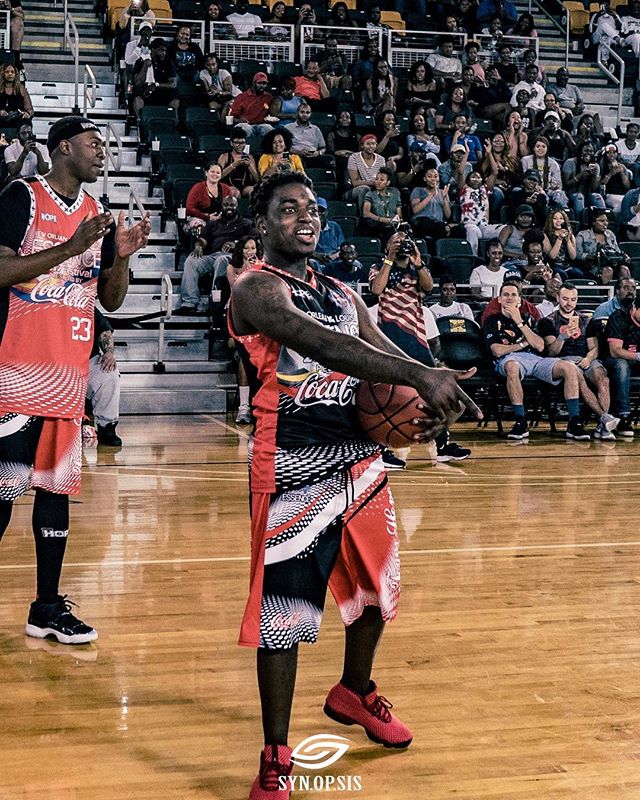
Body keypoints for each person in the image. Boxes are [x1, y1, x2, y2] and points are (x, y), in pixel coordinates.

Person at [228, 173, 480, 798]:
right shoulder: (255, 289)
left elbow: (378, 346)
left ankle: (354, 690)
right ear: (263, 224)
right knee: (283, 617)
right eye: (288, 210)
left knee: (376, 592)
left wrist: (431, 381)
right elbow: (322, 344)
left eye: (311, 209)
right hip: (291, 463)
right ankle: (276, 754)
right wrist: (413, 377)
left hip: (360, 461)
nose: (305, 218)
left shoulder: (343, 290)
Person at [0, 115, 150, 644]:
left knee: (54, 497)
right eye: (94, 143)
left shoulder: (95, 216)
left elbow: (109, 299)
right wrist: (70, 248)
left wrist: (122, 259)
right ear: (63, 148)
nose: (103, 151)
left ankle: (45, 608)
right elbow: (1, 270)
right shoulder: (22, 196)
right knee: (0, 496)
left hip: (66, 380)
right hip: (13, 375)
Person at [370, 231, 472, 462]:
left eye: (404, 242)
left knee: (434, 392)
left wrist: (418, 261)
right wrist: (389, 257)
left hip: (416, 337)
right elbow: (377, 290)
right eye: (396, 242)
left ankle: (442, 443)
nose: (401, 246)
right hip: (389, 339)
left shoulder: (416, 269)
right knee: (385, 396)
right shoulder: (378, 266)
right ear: (387, 246)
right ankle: (382, 450)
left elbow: (427, 287)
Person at [483, 281, 589, 440]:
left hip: (535, 359)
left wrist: (519, 321)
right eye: (506, 295)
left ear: (520, 300)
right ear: (499, 299)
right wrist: (523, 344)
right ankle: (520, 421)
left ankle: (574, 423)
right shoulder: (492, 320)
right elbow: (497, 351)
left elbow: (539, 346)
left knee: (569, 367)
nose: (510, 298)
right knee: (512, 366)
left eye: (514, 295)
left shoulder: (528, 318)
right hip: (509, 360)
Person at [537, 282, 619, 440]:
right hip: (562, 360)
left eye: (573, 299)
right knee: (578, 377)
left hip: (584, 359)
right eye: (565, 299)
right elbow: (550, 352)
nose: (569, 303)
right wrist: (562, 337)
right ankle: (605, 418)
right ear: (558, 298)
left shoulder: (586, 320)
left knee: (603, 379)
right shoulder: (548, 321)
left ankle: (602, 428)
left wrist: (588, 358)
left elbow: (594, 348)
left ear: (577, 300)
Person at [177, 194, 255, 314]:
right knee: (191, 260)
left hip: (233, 257)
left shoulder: (246, 224)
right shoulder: (214, 224)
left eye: (232, 205)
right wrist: (198, 246)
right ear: (222, 206)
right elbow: (202, 240)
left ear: (237, 206)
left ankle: (215, 300)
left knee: (222, 260)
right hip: (213, 255)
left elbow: (254, 240)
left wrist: (237, 244)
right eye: (226, 205)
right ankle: (190, 301)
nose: (229, 207)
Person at [602, 290, 640, 437]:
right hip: (613, 360)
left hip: (636, 360)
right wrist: (637, 356)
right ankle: (623, 416)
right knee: (622, 365)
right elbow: (615, 351)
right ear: (634, 308)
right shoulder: (619, 317)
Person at [87, 309, 122, 447]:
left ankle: (106, 427)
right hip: (53, 363)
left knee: (108, 373)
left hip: (85, 360)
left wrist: (108, 352)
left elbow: (104, 331)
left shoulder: (86, 304)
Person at [132, 37, 178, 119]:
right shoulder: (140, 61)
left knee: (175, 98)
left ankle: (174, 121)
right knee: (137, 97)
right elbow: (138, 83)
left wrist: (156, 85)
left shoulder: (168, 62)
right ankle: (139, 121)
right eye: (161, 50)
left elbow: (173, 84)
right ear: (153, 49)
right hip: (146, 91)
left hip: (162, 91)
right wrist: (145, 66)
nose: (163, 53)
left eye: (165, 51)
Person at [184, 161, 236, 233]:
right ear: (206, 173)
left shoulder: (226, 189)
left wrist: (222, 217)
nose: (215, 174)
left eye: (218, 173)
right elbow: (190, 209)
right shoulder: (197, 188)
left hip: (220, 218)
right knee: (201, 227)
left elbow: (231, 207)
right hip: (199, 218)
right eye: (212, 172)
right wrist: (207, 217)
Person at [283, 101, 334, 169]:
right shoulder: (288, 128)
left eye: (307, 112)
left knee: (329, 160)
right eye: (302, 112)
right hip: (295, 156)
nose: (305, 115)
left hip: (314, 156)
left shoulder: (315, 129)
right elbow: (283, 147)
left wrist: (318, 153)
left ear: (311, 114)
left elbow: (323, 148)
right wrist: (297, 152)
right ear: (297, 113)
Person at [360, 167, 402, 244]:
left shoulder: (395, 195)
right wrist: (381, 219)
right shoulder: (370, 194)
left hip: (392, 224)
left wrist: (396, 219)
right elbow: (366, 213)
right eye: (376, 179)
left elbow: (399, 213)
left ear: (388, 182)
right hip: (376, 225)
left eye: (382, 180)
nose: (378, 182)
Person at [217, 127, 259, 197]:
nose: (240, 146)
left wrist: (249, 166)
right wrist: (233, 165)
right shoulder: (225, 156)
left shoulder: (249, 157)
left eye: (242, 143)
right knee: (234, 192)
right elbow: (218, 176)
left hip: (245, 186)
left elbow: (257, 179)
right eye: (237, 143)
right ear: (231, 143)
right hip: (229, 185)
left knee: (253, 191)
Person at [229, 73, 274, 139]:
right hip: (246, 124)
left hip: (261, 124)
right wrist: (239, 120)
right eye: (259, 83)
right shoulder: (242, 97)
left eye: (264, 84)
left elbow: (269, 110)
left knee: (269, 128)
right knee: (244, 128)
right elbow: (232, 117)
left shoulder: (268, 97)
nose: (262, 86)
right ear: (254, 83)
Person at [346, 133, 385, 209]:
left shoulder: (381, 159)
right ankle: (365, 218)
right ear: (362, 146)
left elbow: (383, 179)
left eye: (373, 144)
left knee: (394, 191)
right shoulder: (354, 158)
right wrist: (373, 183)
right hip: (356, 190)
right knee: (365, 189)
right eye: (368, 144)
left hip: (376, 188)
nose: (371, 146)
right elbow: (355, 182)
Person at [199, 52, 240, 116]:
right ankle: (216, 123)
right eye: (208, 65)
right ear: (205, 65)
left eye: (213, 64)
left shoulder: (224, 73)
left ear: (217, 64)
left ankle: (222, 123)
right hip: (218, 99)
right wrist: (210, 90)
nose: (211, 67)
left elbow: (229, 92)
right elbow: (207, 90)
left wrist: (218, 92)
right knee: (212, 105)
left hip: (233, 97)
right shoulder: (203, 73)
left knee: (227, 106)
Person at [311, 196, 344, 266]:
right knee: (312, 262)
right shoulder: (309, 227)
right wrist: (317, 255)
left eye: (322, 211)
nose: (319, 213)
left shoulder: (335, 226)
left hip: (335, 259)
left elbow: (342, 247)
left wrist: (333, 257)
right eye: (316, 211)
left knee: (355, 263)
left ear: (326, 212)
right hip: (317, 260)